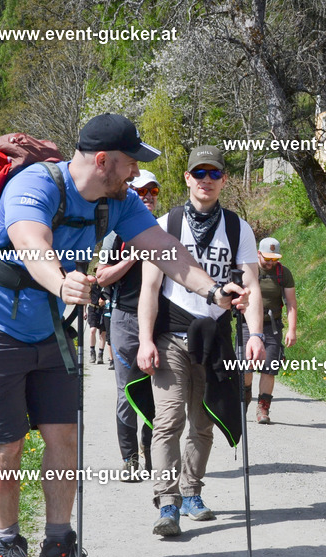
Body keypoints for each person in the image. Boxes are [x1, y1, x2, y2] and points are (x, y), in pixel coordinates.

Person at [0, 115, 250, 557]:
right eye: (132, 163)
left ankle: (59, 548)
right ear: (104, 160)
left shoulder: (120, 202)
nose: (136, 173)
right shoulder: (34, 185)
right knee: (6, 445)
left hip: (49, 333)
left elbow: (165, 249)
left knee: (65, 439)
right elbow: (31, 243)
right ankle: (8, 546)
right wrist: (60, 281)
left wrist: (213, 292)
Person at [137, 144, 265, 536]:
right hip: (172, 336)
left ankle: (192, 491)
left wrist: (256, 333)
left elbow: (252, 286)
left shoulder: (237, 227)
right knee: (169, 419)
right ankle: (168, 502)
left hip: (214, 340)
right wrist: (145, 340)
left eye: (214, 174)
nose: (206, 180)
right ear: (187, 178)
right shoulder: (165, 224)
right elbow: (149, 288)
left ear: (224, 180)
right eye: (199, 173)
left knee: (203, 421)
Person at [95, 170, 160, 479]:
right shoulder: (117, 233)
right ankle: (129, 458)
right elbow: (101, 276)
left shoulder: (163, 231)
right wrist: (131, 259)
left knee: (155, 390)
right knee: (126, 390)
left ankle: (149, 453)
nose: (148, 195)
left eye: (154, 191)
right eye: (142, 190)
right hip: (124, 318)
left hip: (160, 320)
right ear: (131, 193)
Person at [240, 237, 297, 424]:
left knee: (269, 367)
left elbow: (291, 303)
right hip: (247, 324)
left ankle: (263, 408)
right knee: (246, 365)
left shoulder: (283, 273)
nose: (271, 262)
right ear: (258, 254)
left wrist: (292, 330)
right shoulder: (248, 271)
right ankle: (245, 393)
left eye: (275, 259)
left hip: (272, 326)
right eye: (267, 259)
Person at [87, 285, 106, 364]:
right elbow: (86, 297)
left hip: (103, 309)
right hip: (92, 308)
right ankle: (92, 352)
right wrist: (84, 311)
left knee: (102, 333)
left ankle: (100, 355)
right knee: (92, 330)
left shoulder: (106, 284)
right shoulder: (92, 285)